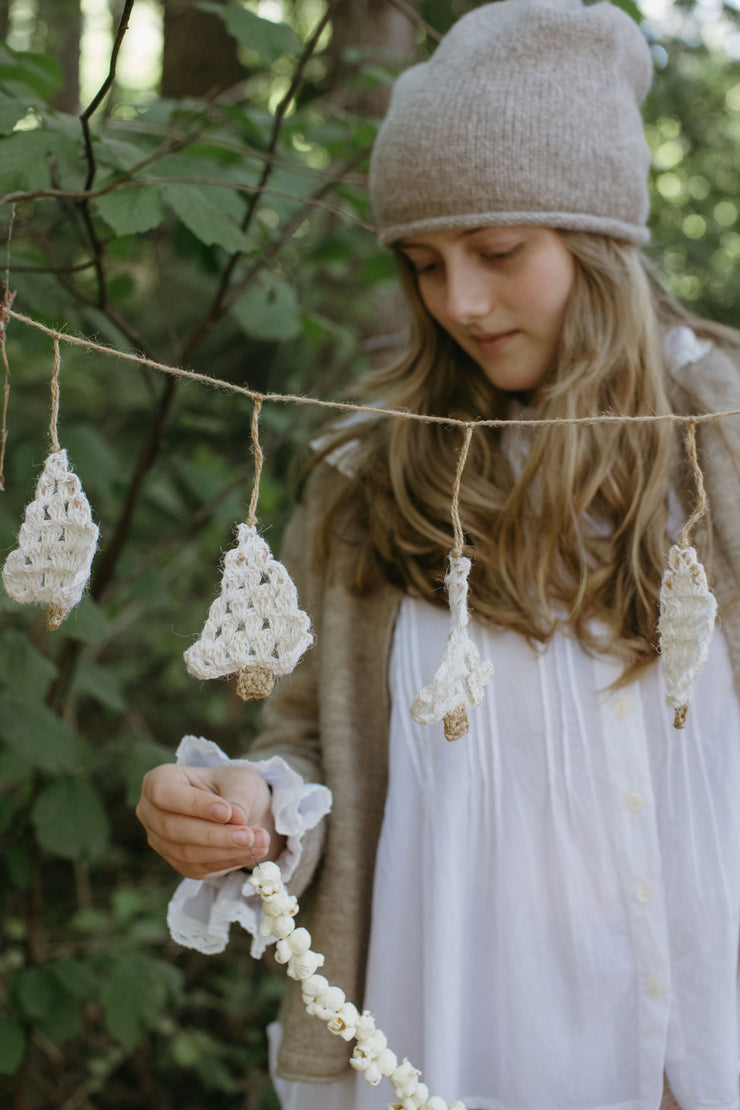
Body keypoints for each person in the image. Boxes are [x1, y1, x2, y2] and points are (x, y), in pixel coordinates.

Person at [135, 2, 740, 1108]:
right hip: (459, 1045)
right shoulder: (371, 477)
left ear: (599, 240)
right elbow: (311, 750)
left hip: (707, 1039)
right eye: (421, 262)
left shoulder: (721, 439)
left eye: (498, 251)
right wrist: (253, 809)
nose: (456, 302)